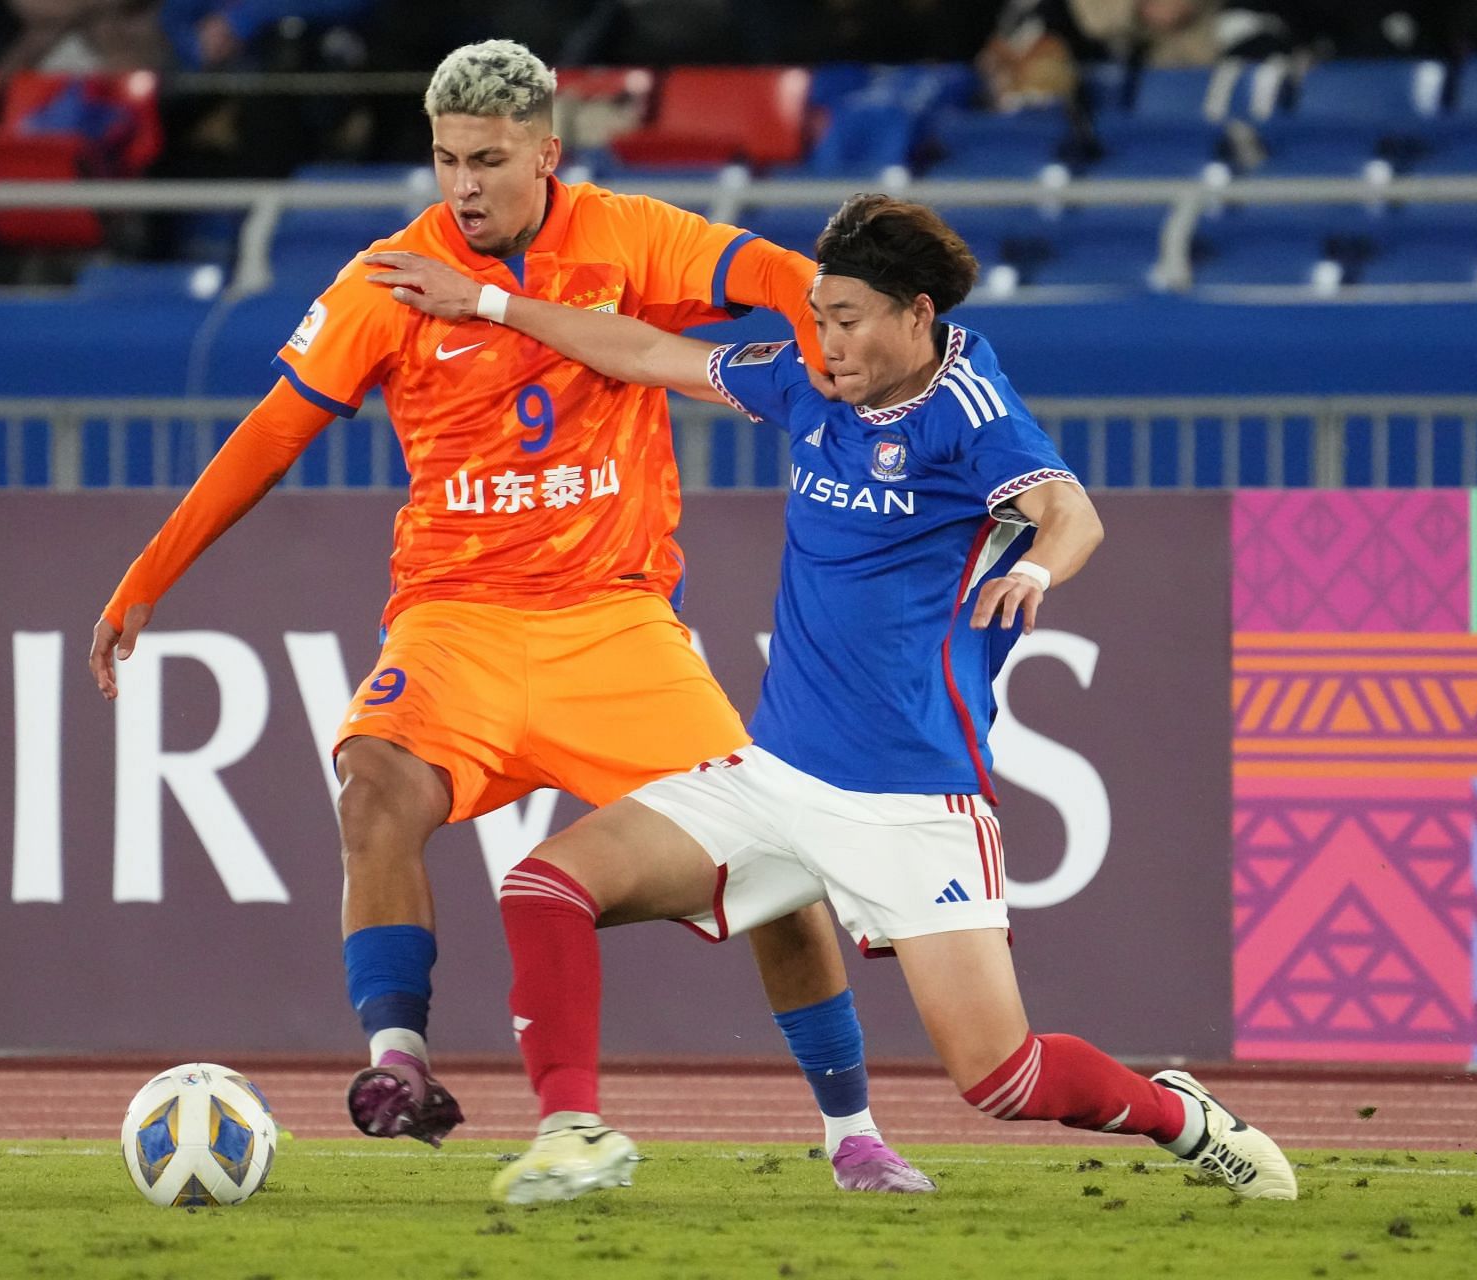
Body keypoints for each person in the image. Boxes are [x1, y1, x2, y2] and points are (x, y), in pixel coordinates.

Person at [89, 39, 934, 1195]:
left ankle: (854, 1133)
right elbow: (271, 435)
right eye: (444, 160)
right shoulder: (386, 279)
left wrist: (842, 380)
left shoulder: (632, 234)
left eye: (487, 159)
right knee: (375, 783)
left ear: (549, 150)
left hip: (617, 625)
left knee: (777, 857)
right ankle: (399, 1063)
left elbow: (788, 278)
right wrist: (148, 576)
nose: (463, 186)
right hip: (458, 620)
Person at [365, 192, 1300, 1205]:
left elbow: (1066, 509)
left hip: (910, 800)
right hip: (772, 781)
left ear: (918, 313)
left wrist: (1038, 571)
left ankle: (1178, 1112)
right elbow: (640, 352)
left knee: (1004, 1077)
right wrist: (493, 304)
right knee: (545, 885)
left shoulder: (968, 413)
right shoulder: (810, 384)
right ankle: (574, 1130)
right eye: (817, 314)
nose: (827, 338)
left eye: (848, 317)